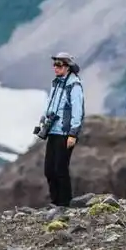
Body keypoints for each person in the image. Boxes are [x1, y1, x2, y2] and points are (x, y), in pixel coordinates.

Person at [39, 52, 85, 208]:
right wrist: (43, 120)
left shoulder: (74, 85)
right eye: (55, 64)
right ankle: (55, 201)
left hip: (65, 133)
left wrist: (73, 133)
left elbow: (78, 110)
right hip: (52, 130)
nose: (55, 68)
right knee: (49, 169)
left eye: (59, 65)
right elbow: (50, 104)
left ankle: (64, 203)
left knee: (60, 168)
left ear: (67, 67)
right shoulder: (56, 83)